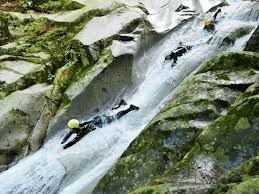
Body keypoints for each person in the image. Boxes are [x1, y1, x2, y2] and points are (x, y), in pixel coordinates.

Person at [60, 100, 139, 150]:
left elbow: (75, 140)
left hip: (101, 121)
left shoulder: (84, 129)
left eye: (70, 128)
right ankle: (120, 104)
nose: (69, 129)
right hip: (96, 120)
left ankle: (130, 108)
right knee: (108, 113)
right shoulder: (78, 126)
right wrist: (63, 142)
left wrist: (63, 148)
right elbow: (69, 133)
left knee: (116, 117)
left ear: (74, 128)